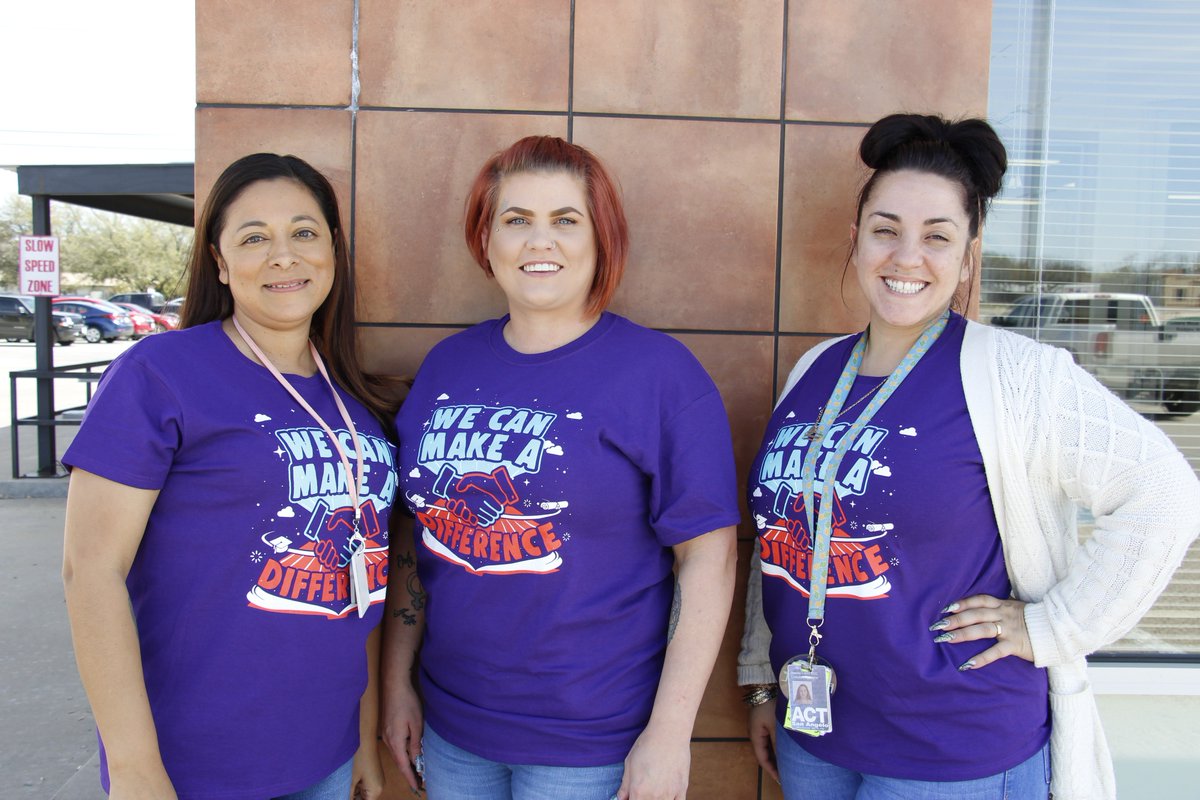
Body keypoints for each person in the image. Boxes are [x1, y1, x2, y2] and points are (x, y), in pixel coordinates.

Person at [737, 113, 1200, 800]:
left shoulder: (1017, 375)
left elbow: (1163, 492)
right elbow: (785, 530)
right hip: (819, 737)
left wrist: (1054, 626)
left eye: (937, 237)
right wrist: (761, 678)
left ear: (968, 255)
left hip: (951, 748)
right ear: (858, 238)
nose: (906, 257)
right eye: (886, 230)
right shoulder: (816, 370)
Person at [382, 135, 740, 800]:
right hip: (453, 730)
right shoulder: (448, 367)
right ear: (486, 239)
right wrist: (395, 682)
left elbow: (709, 560)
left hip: (591, 744)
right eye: (517, 220)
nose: (538, 242)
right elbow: (416, 534)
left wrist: (668, 733)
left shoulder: (660, 375)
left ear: (600, 237)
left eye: (565, 221)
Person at [61, 153, 399, 800]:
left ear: (333, 248)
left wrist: (362, 739)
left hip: (324, 754)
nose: (283, 255)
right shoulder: (160, 374)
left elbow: (362, 585)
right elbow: (90, 570)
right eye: (253, 237)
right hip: (197, 762)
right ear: (219, 262)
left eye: (304, 232)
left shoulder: (355, 410)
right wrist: (134, 769)